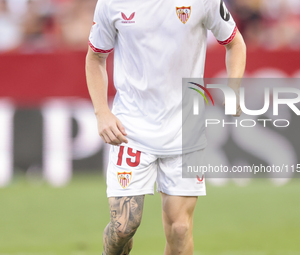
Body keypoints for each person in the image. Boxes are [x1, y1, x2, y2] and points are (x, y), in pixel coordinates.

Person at [85, 0, 246, 254]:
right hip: (131, 129)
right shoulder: (112, 3)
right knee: (124, 226)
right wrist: (101, 112)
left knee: (180, 230)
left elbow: (235, 42)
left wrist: (234, 88)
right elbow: (95, 57)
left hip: (186, 129)